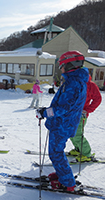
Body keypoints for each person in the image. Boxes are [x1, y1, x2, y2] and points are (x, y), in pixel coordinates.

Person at [36, 51, 89, 191]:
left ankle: (68, 183)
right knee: (56, 152)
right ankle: (62, 174)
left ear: (70, 65)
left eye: (62, 66)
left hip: (63, 124)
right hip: (63, 123)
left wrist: (45, 112)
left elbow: (63, 108)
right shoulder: (74, 81)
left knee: (56, 153)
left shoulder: (73, 83)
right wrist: (47, 110)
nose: (61, 69)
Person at [69, 74, 102, 161]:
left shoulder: (91, 85)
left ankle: (86, 154)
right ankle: (78, 149)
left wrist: (88, 110)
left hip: (81, 115)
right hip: (71, 114)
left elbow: (98, 99)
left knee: (77, 134)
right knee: (71, 133)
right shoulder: (74, 83)